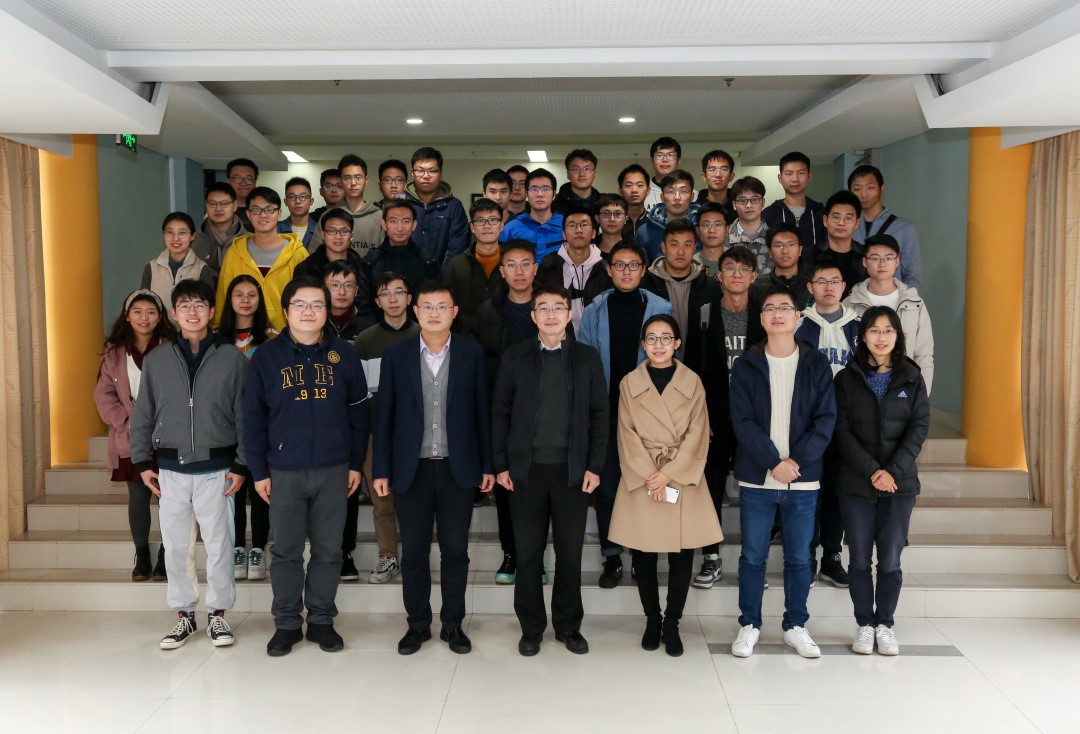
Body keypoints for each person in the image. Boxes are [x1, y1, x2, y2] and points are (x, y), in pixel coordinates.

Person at [244, 276, 371, 657]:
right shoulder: (266, 357)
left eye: (317, 304)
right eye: (300, 304)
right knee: (285, 551)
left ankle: (320, 620)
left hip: (334, 468)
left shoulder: (345, 354)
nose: (309, 312)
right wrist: (259, 471)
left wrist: (355, 464)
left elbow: (359, 414)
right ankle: (286, 623)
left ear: (327, 311)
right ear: (286, 311)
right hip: (283, 471)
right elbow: (252, 419)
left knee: (329, 550)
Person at [373, 281, 495, 656]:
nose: (434, 313)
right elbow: (384, 416)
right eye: (427, 307)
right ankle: (417, 624)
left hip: (459, 469)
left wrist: (488, 465)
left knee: (456, 551)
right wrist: (381, 469)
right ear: (416, 311)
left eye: (442, 307)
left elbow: (483, 413)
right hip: (412, 471)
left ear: (455, 312)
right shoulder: (396, 356)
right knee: (414, 553)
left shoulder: (472, 354)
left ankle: (453, 624)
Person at [129, 280, 247, 650]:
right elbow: (143, 414)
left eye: (199, 305)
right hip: (171, 469)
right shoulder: (157, 359)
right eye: (184, 305)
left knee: (220, 544)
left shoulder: (232, 358)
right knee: (177, 546)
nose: (192, 312)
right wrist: (141, 461)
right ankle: (184, 616)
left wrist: (241, 464)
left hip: (217, 469)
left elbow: (246, 415)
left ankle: (218, 615)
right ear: (174, 313)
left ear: (211, 311)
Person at [492, 283, 609, 656]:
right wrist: (501, 464)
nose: (551, 314)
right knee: (528, 555)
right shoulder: (515, 356)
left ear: (569, 314)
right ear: (533, 316)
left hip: (571, 473)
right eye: (543, 308)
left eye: (558, 307)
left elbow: (600, 415)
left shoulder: (587, 357)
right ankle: (531, 629)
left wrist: (594, 466)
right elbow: (500, 413)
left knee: (569, 554)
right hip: (524, 474)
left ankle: (568, 626)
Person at [729, 288, 836, 659]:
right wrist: (774, 462)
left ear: (798, 318)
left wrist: (796, 463)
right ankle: (749, 624)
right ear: (761, 319)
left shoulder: (816, 363)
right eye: (770, 308)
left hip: (803, 480)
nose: (777, 313)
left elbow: (825, 419)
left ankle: (795, 625)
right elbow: (742, 420)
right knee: (752, 556)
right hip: (757, 478)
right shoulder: (746, 364)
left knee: (800, 558)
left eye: (784, 308)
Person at [609, 314, 722, 657]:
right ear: (643, 345)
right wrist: (651, 474)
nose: (658, 345)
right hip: (643, 476)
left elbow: (699, 433)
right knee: (643, 556)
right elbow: (625, 434)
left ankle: (672, 622)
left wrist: (669, 474)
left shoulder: (693, 382)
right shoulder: (629, 383)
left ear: (677, 343)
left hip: (681, 476)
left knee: (681, 556)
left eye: (665, 338)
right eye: (651, 338)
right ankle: (652, 619)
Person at [833, 306, 930, 656]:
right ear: (863, 336)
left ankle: (884, 624)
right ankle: (864, 624)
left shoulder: (912, 377)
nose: (881, 337)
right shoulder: (846, 378)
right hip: (856, 484)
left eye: (888, 330)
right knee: (859, 559)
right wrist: (873, 470)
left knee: (890, 560)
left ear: (897, 336)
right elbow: (841, 431)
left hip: (898, 486)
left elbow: (919, 427)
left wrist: (892, 471)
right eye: (874, 330)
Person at [578, 242, 672, 588]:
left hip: (648, 413)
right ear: (609, 270)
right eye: (619, 265)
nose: (626, 271)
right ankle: (612, 556)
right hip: (605, 412)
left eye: (633, 265)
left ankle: (643, 556)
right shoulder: (595, 309)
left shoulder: (661, 307)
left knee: (647, 484)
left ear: (643, 270)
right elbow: (586, 363)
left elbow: (671, 360)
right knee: (607, 488)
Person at [688, 246, 765, 589]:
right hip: (715, 418)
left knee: (755, 494)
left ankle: (753, 563)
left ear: (753, 276)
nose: (736, 274)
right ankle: (711, 558)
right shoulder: (704, 314)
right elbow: (692, 372)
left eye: (743, 269)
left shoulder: (765, 315)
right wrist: (699, 418)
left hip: (755, 419)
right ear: (718, 276)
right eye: (729, 268)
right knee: (711, 489)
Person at [471, 241, 541, 583]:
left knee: (538, 487)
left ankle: (535, 557)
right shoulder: (488, 311)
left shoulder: (548, 306)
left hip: (543, 408)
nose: (519, 271)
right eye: (511, 265)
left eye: (525, 264)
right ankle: (510, 553)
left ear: (535, 269)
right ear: (502, 271)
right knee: (505, 485)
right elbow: (478, 363)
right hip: (502, 410)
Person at [94, 289, 174, 583]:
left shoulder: (171, 347)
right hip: (130, 435)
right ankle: (142, 555)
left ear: (160, 317)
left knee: (170, 498)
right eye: (138, 311)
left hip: (168, 435)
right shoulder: (114, 352)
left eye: (151, 312)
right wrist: (127, 421)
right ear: (127, 316)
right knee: (138, 496)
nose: (144, 317)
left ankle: (166, 554)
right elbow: (104, 394)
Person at [795, 259, 861, 588]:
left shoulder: (858, 326)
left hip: (846, 424)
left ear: (844, 287)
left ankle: (832, 558)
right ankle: (805, 555)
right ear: (810, 287)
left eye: (835, 281)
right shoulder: (797, 325)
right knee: (808, 491)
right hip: (808, 423)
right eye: (821, 281)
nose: (829, 287)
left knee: (837, 491)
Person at [352, 272, 420, 584]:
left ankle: (415, 555)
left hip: (416, 434)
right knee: (382, 499)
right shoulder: (365, 341)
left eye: (399, 292)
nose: (393, 299)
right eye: (385, 294)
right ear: (377, 302)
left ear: (410, 298)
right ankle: (388, 556)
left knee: (414, 497)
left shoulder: (423, 334)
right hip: (376, 433)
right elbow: (359, 394)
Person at [216, 275, 277, 581]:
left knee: (260, 486)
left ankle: (259, 549)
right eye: (238, 294)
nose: (245, 300)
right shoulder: (217, 339)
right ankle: (238, 546)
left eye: (251, 294)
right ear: (229, 299)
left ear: (259, 299)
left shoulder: (272, 338)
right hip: (226, 426)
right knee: (234, 488)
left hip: (263, 424)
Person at [844, 234, 935, 393]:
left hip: (904, 390)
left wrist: (921, 397)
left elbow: (924, 355)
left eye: (888, 258)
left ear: (897, 261)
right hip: (860, 390)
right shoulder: (849, 304)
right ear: (865, 262)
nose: (882, 263)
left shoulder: (914, 303)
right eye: (875, 258)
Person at [213, 187, 309, 332]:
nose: (263, 215)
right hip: (244, 335)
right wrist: (218, 328)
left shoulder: (298, 253)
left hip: (288, 335)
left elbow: (306, 297)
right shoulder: (235, 252)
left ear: (279, 214)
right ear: (248, 214)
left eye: (269, 210)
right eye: (256, 210)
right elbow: (224, 295)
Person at [642, 218, 716, 358]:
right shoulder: (646, 285)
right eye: (674, 245)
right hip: (655, 364)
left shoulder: (709, 286)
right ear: (664, 247)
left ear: (694, 248)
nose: (681, 252)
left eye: (687, 245)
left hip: (698, 366)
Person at [355, 200, 439, 322]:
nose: (400, 228)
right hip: (378, 329)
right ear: (384, 224)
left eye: (406, 221)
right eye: (393, 221)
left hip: (419, 328)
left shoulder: (428, 261)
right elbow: (363, 305)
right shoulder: (370, 262)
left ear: (414, 225)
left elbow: (435, 300)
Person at [535, 206, 612, 332]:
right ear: (564, 235)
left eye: (584, 225)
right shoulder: (548, 267)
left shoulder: (606, 270)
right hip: (558, 336)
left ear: (594, 233)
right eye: (572, 225)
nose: (578, 230)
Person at [849, 164, 923, 288]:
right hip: (854, 297)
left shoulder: (905, 228)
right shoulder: (845, 227)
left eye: (870, 188)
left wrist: (904, 299)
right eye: (857, 189)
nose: (863, 194)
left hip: (892, 298)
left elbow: (912, 276)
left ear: (882, 189)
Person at [444, 197, 506, 335]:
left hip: (506, 339)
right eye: (480, 221)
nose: (487, 226)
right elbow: (448, 307)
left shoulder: (512, 264)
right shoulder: (457, 265)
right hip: (466, 338)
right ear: (472, 227)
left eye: (493, 220)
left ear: (501, 225)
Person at [141, 212, 217, 322]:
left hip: (191, 329)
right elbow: (144, 304)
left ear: (192, 236)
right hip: (158, 330)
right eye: (170, 232)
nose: (175, 238)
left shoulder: (202, 268)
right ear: (164, 234)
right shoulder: (151, 268)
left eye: (182, 233)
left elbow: (207, 306)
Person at [402, 147, 470, 270]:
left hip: (444, 278)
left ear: (440, 174)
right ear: (412, 173)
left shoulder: (454, 206)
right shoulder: (401, 204)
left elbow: (458, 247)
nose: (426, 176)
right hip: (405, 277)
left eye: (432, 171)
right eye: (420, 171)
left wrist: (442, 277)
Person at [309, 154, 384, 259]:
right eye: (347, 178)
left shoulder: (379, 216)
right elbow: (315, 257)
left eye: (358, 177)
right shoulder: (328, 216)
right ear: (341, 181)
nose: (353, 183)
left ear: (366, 180)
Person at [761, 152, 827, 254]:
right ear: (780, 178)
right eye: (789, 174)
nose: (795, 179)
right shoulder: (769, 214)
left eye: (801, 173)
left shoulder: (821, 213)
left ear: (809, 177)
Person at [635, 169, 700, 263]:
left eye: (683, 191)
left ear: (692, 197)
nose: (677, 197)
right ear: (662, 198)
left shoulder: (703, 228)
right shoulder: (644, 232)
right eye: (670, 192)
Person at [500, 167, 565, 261]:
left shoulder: (566, 225)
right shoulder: (511, 229)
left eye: (546, 189)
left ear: (554, 194)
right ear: (527, 194)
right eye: (534, 189)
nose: (540, 194)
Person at [293, 207, 367, 281]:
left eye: (344, 231)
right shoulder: (305, 269)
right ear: (323, 235)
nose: (338, 237)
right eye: (332, 231)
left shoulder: (362, 268)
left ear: (351, 236)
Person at [749, 223, 812, 309]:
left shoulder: (812, 284)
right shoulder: (757, 286)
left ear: (800, 250)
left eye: (791, 245)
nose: (785, 251)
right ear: (770, 252)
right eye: (778, 246)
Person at [818, 191, 867, 297]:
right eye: (836, 217)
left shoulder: (866, 256)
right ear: (825, 220)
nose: (841, 223)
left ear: (857, 223)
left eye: (848, 218)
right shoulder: (809, 254)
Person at [192, 182, 245, 270]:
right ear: (206, 205)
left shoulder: (247, 240)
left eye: (224, 204)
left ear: (235, 206)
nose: (218, 208)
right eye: (213, 204)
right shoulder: (193, 241)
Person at [727, 177, 770, 273]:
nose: (749, 205)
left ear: (763, 202)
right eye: (742, 201)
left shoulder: (774, 237)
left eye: (754, 199)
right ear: (734, 205)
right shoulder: (723, 237)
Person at [323, 261, 372, 340]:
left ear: (356, 291)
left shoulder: (368, 331)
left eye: (348, 285)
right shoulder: (315, 326)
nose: (342, 292)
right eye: (335, 285)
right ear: (324, 289)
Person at [643, 137, 693, 213]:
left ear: (679, 160)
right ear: (652, 160)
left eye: (670, 155)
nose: (665, 160)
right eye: (660, 155)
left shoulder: (690, 193)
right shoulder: (643, 192)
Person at [553, 149, 601, 216]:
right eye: (575, 169)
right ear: (568, 174)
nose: (582, 174)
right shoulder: (554, 207)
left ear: (594, 174)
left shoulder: (602, 205)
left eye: (587, 169)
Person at [278, 177, 318, 251]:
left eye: (303, 197)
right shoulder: (276, 229)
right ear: (285, 202)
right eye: (292, 197)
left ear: (311, 201)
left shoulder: (319, 230)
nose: (297, 201)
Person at [696, 149, 737, 224]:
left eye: (724, 169)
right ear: (704, 176)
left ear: (731, 176)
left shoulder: (739, 208)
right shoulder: (695, 210)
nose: (718, 175)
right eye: (712, 169)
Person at [693, 202, 731, 279]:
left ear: (727, 229)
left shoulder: (737, 263)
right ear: (697, 230)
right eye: (706, 225)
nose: (712, 230)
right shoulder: (690, 263)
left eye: (718, 225)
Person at [618, 164, 650, 236]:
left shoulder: (654, 223)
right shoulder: (614, 222)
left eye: (640, 185)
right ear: (620, 191)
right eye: (628, 185)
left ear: (648, 190)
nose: (634, 190)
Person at [226, 158, 259, 228]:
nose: (243, 183)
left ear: (255, 183)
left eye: (249, 179)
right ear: (228, 182)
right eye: (237, 178)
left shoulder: (263, 210)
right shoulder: (219, 209)